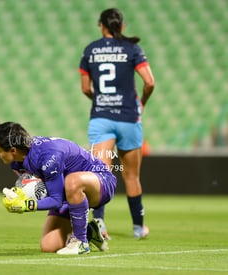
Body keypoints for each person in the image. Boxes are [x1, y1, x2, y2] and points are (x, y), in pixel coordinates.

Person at [78, 8, 155, 239]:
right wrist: (141, 102)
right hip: (129, 118)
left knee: (101, 174)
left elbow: (85, 87)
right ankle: (139, 228)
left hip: (101, 119)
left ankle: (99, 225)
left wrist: (100, 102)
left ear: (101, 25)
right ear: (122, 26)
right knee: (131, 177)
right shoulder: (133, 49)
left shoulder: (91, 50)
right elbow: (150, 82)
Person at [0, 122, 117, 255]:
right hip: (68, 194)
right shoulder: (17, 162)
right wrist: (18, 196)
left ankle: (81, 242)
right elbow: (39, 187)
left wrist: (27, 205)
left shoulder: (48, 156)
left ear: (13, 150)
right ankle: (90, 231)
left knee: (72, 181)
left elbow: (56, 200)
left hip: (101, 181)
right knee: (48, 246)